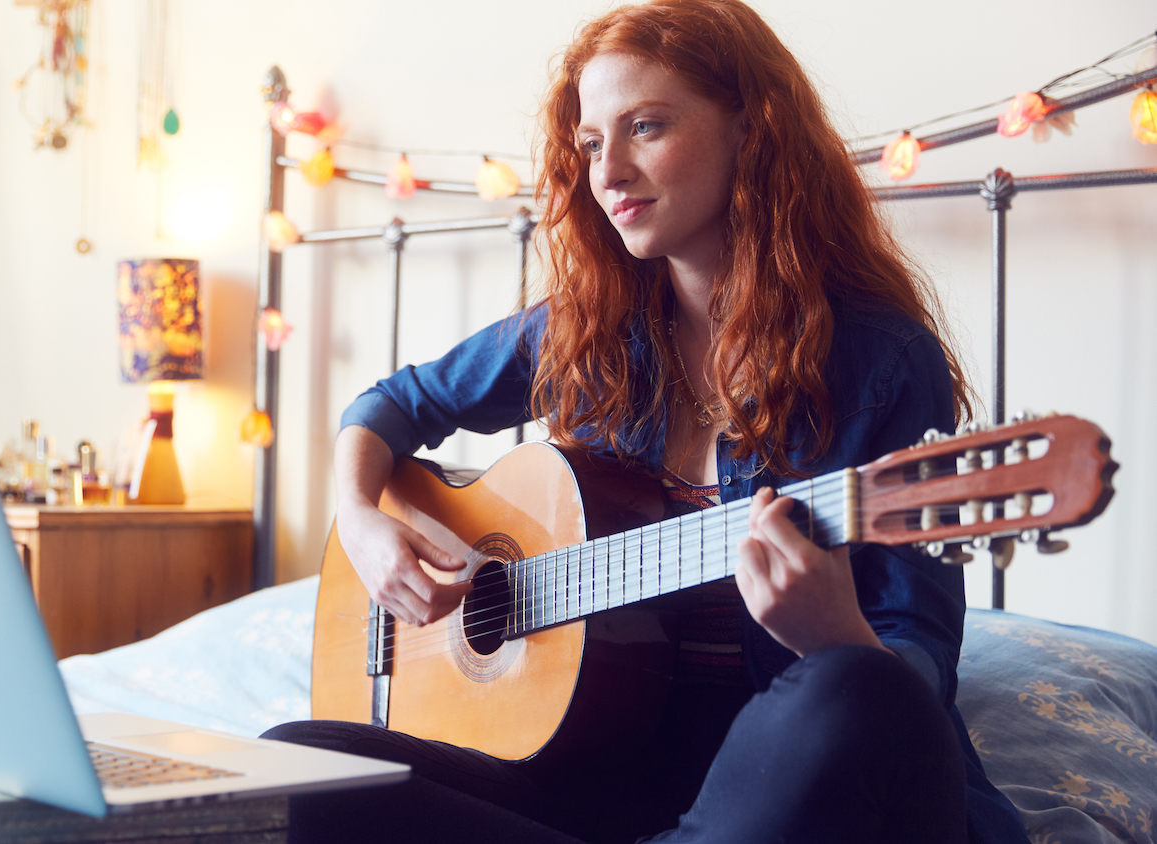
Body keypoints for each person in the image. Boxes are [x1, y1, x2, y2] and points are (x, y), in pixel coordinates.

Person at [264, 1, 1031, 842]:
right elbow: (386, 410)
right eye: (592, 143)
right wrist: (362, 521)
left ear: (751, 129)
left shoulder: (879, 360)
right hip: (601, 774)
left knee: (850, 696)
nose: (609, 171)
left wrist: (835, 637)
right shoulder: (588, 330)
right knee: (295, 768)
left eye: (647, 127)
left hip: (778, 773)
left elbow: (913, 678)